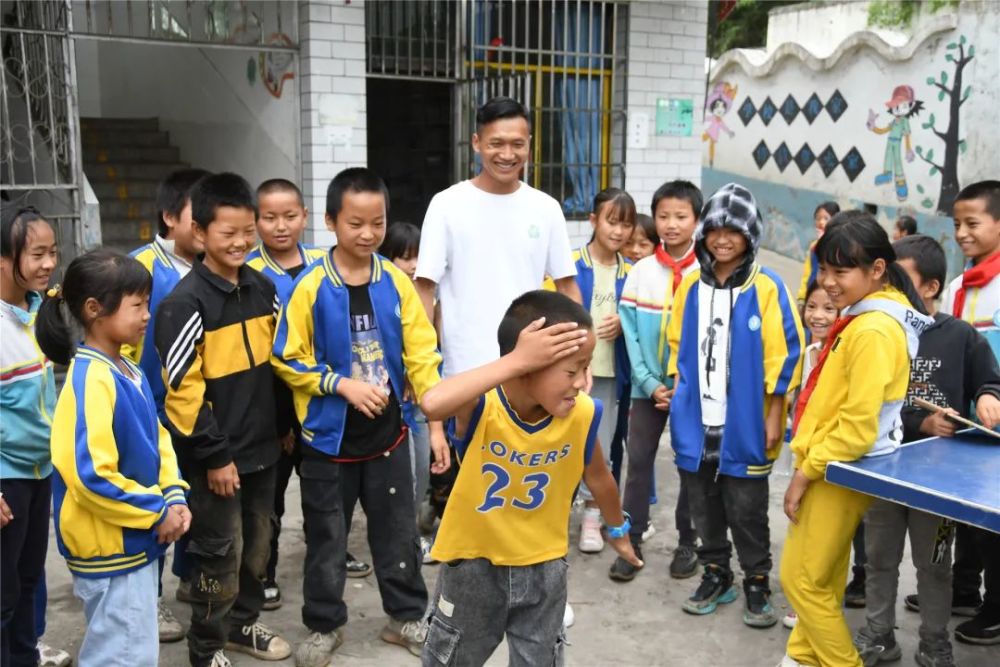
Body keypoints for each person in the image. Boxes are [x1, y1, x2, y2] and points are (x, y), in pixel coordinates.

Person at [272, 168, 448, 666]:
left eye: (377, 223)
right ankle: (325, 625)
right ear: (330, 222)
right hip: (328, 442)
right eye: (356, 223)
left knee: (397, 531)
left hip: (388, 435)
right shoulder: (308, 286)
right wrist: (341, 384)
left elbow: (421, 350)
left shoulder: (394, 280)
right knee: (327, 538)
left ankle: (406, 616)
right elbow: (286, 357)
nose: (368, 234)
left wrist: (432, 409)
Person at [419, 290, 642, 666]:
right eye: (572, 371)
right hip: (474, 568)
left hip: (545, 568)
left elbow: (601, 479)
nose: (582, 381)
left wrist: (618, 532)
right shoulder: (483, 406)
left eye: (586, 367)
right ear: (525, 367)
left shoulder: (583, 413)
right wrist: (514, 360)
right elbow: (433, 403)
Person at [779, 211, 934, 667]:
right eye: (824, 269)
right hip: (833, 463)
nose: (827, 282)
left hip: (839, 468)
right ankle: (803, 657)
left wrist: (804, 473)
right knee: (820, 580)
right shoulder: (865, 317)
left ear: (878, 270)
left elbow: (857, 426)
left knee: (802, 582)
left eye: (840, 271)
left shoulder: (874, 329)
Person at [155, 173, 290, 667]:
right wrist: (215, 456)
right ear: (200, 233)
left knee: (259, 543)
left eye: (247, 231)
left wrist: (285, 428)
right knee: (218, 553)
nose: (240, 242)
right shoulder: (184, 304)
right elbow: (183, 396)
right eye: (227, 233)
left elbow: (278, 367)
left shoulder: (265, 289)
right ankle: (206, 646)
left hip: (264, 450)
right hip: (215, 460)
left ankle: (241, 625)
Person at [38, 249, 192, 667]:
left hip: (137, 536)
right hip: (111, 549)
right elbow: (91, 476)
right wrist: (157, 510)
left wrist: (174, 496)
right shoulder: (90, 379)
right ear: (94, 310)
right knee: (121, 655)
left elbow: (158, 439)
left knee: (134, 649)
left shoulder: (128, 367)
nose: (147, 314)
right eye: (138, 305)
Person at [854, 234, 1000, 667]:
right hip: (884, 470)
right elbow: (866, 403)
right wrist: (920, 423)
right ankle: (879, 633)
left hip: (937, 481)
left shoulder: (960, 336)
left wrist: (990, 396)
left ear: (932, 288)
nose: (889, 289)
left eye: (901, 279)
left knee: (935, 566)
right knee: (879, 560)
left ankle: (935, 641)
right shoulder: (880, 330)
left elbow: (989, 379)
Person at [668, 183, 803, 629]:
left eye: (734, 231)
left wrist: (772, 414)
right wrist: (678, 393)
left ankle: (756, 580)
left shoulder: (766, 287)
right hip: (696, 418)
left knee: (746, 506)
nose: (722, 239)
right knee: (702, 501)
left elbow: (783, 353)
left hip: (744, 421)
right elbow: (676, 344)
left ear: (751, 235)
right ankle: (716, 572)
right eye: (714, 229)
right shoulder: (691, 286)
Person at [415, 96, 581, 379]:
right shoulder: (447, 205)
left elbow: (567, 288)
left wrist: (578, 356)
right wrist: (421, 364)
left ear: (529, 143)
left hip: (530, 368)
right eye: (496, 144)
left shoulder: (546, 207)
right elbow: (424, 289)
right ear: (477, 143)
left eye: (517, 144)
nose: (507, 154)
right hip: (466, 371)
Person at [126, 166, 210, 641]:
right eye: (197, 220)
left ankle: (189, 580)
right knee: (158, 505)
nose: (205, 231)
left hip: (202, 413)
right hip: (154, 414)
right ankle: (152, 598)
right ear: (169, 218)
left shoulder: (219, 267)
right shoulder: (139, 269)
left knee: (196, 501)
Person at [245, 178, 331, 610]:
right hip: (271, 408)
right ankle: (265, 570)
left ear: (306, 217)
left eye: (290, 216)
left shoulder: (324, 264)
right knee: (270, 498)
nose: (281, 226)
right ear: (255, 221)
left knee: (325, 492)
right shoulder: (248, 272)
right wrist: (279, 422)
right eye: (270, 217)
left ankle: (330, 560)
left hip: (323, 401)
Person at [612, 180, 703, 583]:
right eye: (663, 216)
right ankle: (630, 540)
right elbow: (631, 334)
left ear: (696, 220)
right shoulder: (640, 273)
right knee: (639, 463)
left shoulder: (708, 275)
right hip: (647, 388)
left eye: (680, 217)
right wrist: (649, 383)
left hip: (691, 391)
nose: (670, 225)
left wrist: (685, 384)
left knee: (691, 465)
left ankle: (688, 540)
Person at [0, 207, 68, 667]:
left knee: (27, 583)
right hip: (6, 477)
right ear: (4, 259)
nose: (48, 264)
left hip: (39, 470)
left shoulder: (38, 309)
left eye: (52, 253)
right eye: (37, 254)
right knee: (3, 595)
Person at [935, 179, 1000, 646]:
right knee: (963, 510)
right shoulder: (959, 284)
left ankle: (995, 607)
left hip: (995, 416)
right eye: (957, 223)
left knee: (994, 520)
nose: (961, 233)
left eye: (972, 223)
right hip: (964, 418)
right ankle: (963, 589)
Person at [379, 221, 449, 562]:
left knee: (422, 469)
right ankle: (401, 541)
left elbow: (435, 349)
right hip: (390, 403)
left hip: (424, 402)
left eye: (417, 258)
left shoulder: (432, 298)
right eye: (402, 257)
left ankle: (408, 533)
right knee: (399, 475)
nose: (410, 266)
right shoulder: (379, 294)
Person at [572, 187, 635, 553]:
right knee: (563, 445)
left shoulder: (632, 272)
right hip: (571, 374)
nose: (619, 232)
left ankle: (593, 517)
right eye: (612, 221)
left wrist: (625, 326)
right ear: (594, 221)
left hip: (610, 374)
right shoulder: (571, 265)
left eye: (626, 225)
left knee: (601, 448)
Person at [797, 201, 841, 305]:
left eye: (826, 218)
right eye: (818, 218)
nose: (821, 222)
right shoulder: (813, 247)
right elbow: (807, 274)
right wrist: (802, 298)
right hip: (812, 294)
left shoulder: (840, 247)